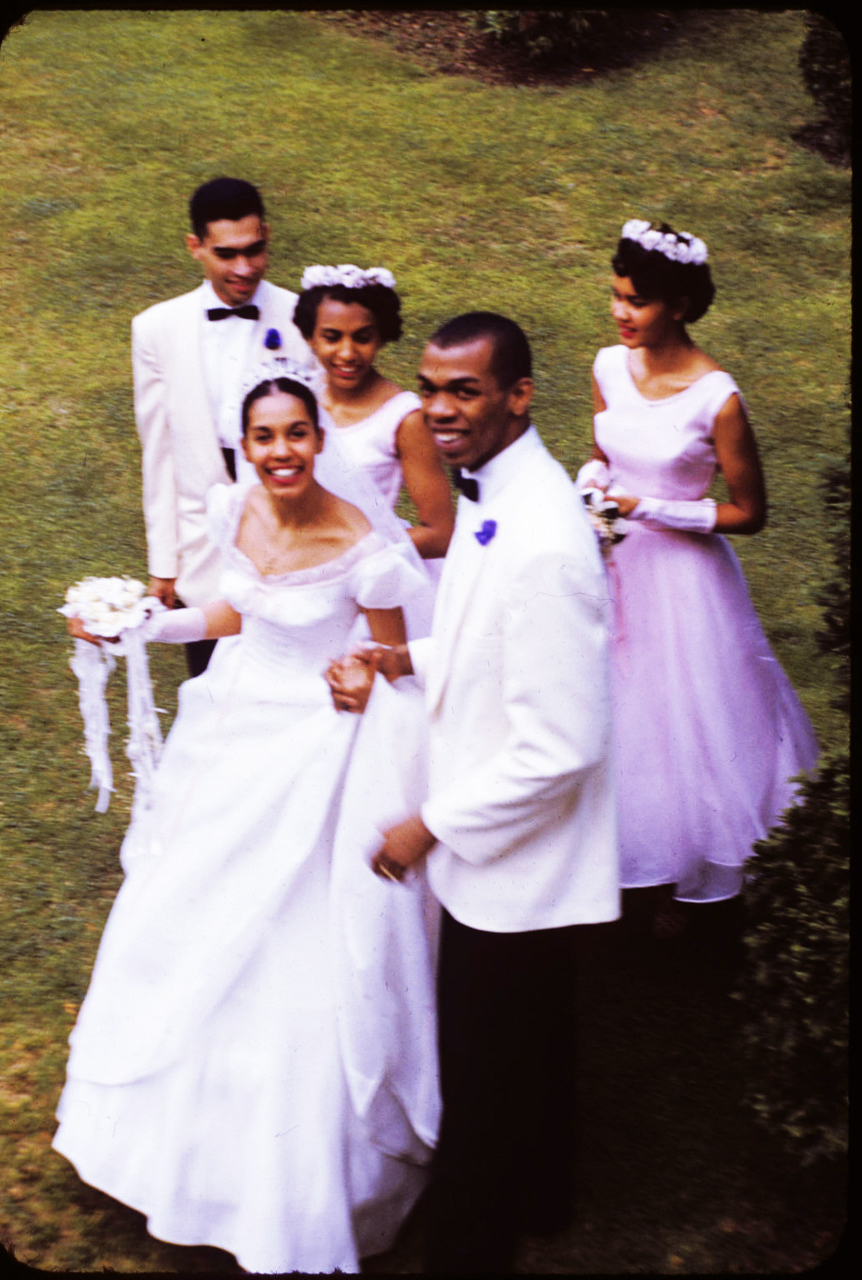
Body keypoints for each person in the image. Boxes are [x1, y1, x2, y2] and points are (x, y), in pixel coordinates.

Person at [53, 365, 440, 1274]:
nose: (280, 454)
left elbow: (393, 659)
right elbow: (233, 612)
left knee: (293, 945)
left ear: (319, 439)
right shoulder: (236, 511)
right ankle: (151, 1152)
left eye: (295, 435)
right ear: (246, 445)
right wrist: (141, 627)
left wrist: (361, 675)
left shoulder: (367, 547)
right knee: (183, 911)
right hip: (231, 741)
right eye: (263, 438)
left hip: (318, 755)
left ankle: (291, 1190)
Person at [328, 313, 620, 1272]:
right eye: (430, 388)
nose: (439, 410)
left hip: (516, 861)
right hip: (511, 861)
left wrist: (426, 828)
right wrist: (407, 654)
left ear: (517, 396)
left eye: (463, 391)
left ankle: (470, 1239)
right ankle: (544, 1191)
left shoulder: (541, 537)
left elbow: (561, 746)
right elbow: (488, 634)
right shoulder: (503, 493)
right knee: (531, 1044)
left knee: (486, 1066)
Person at [576, 218, 819, 939]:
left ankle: (682, 878)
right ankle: (615, 860)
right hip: (616, 567)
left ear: (678, 305)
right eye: (616, 296)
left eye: (637, 302)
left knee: (682, 724)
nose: (620, 313)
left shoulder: (717, 398)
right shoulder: (606, 366)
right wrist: (589, 485)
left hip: (686, 587)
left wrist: (648, 508)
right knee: (616, 712)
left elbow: (749, 512)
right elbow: (601, 451)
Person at [132, 176, 313, 677]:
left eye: (255, 250)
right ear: (196, 247)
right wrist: (163, 565)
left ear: (267, 236)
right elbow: (159, 452)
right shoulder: (155, 328)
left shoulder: (305, 316)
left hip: (290, 542)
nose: (244, 268)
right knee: (211, 692)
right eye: (227, 254)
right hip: (203, 552)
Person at [293, 263, 454, 567]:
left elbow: (441, 534)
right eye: (332, 337)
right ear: (310, 337)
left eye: (362, 337)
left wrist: (349, 550)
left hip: (370, 573)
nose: (347, 353)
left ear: (381, 337)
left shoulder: (405, 418)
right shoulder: (300, 398)